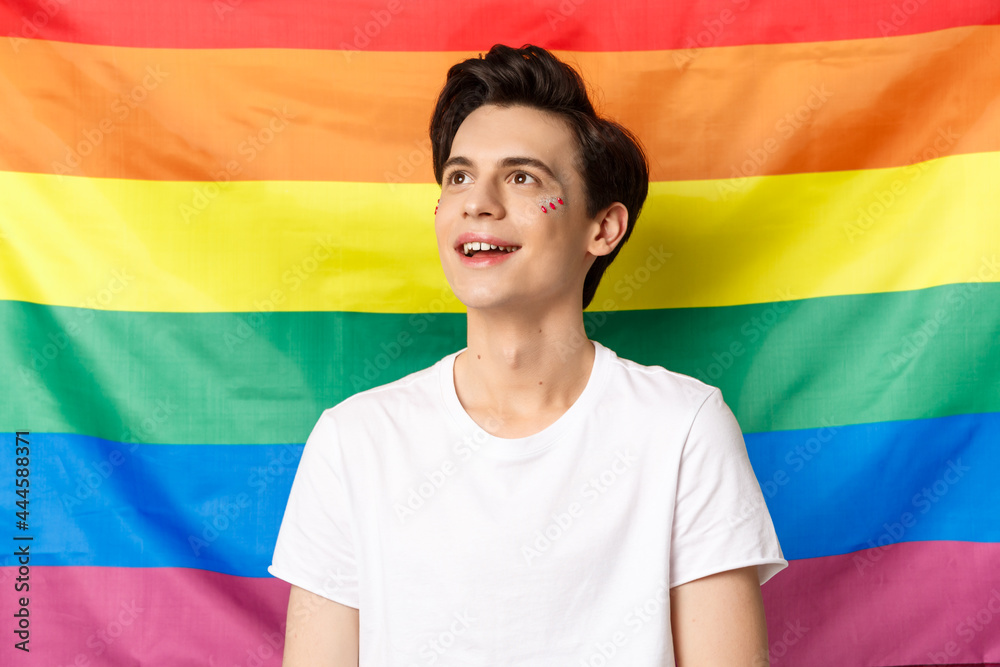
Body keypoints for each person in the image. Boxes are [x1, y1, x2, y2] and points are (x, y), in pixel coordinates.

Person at [269, 43, 787, 666]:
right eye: (459, 176)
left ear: (604, 228)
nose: (478, 202)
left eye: (522, 178)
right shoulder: (354, 440)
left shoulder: (683, 429)